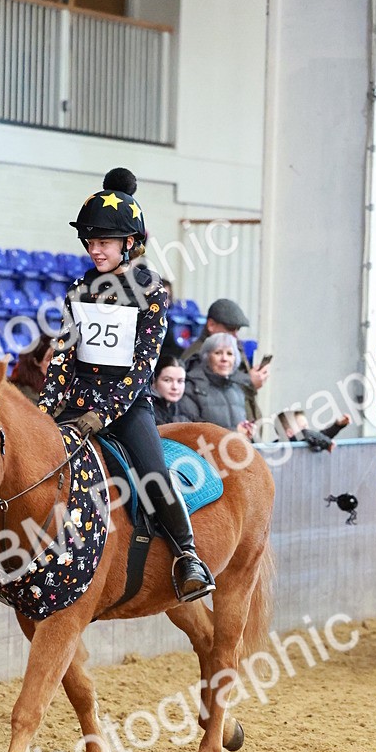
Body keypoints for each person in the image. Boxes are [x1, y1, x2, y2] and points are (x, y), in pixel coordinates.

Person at [37, 167, 215, 603]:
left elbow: (142, 367)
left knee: (154, 475)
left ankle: (187, 554)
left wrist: (102, 414)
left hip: (127, 404)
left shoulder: (150, 290)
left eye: (104, 243)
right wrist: (46, 408)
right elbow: (64, 354)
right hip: (75, 404)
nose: (95, 250)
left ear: (128, 243)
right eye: (91, 242)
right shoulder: (79, 288)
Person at [180, 297, 270, 421]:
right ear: (211, 325)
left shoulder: (235, 347)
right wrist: (249, 381)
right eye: (230, 329)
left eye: (237, 330)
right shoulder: (196, 354)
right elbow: (210, 388)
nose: (235, 335)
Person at [179, 333, 251, 433]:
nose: (224, 359)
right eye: (218, 353)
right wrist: (235, 432)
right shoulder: (192, 388)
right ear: (206, 357)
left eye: (229, 354)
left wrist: (247, 430)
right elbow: (192, 431)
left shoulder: (238, 389)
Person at [275, 408, 351, 452]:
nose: (309, 430)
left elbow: (317, 436)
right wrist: (326, 443)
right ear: (290, 433)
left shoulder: (307, 439)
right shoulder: (275, 448)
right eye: (304, 427)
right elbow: (306, 434)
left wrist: (337, 426)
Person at [8, 335, 53, 403]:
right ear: (36, 362)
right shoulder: (27, 394)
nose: (57, 364)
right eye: (49, 359)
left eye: (61, 359)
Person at [151, 355, 188, 426]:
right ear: (154, 382)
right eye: (167, 380)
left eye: (180, 381)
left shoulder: (183, 407)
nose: (175, 387)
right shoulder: (147, 410)